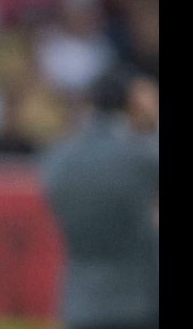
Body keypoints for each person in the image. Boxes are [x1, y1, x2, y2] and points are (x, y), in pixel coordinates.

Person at [40, 65, 159, 329]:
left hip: (79, 300)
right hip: (137, 299)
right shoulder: (140, 156)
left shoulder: (58, 157)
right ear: (131, 102)